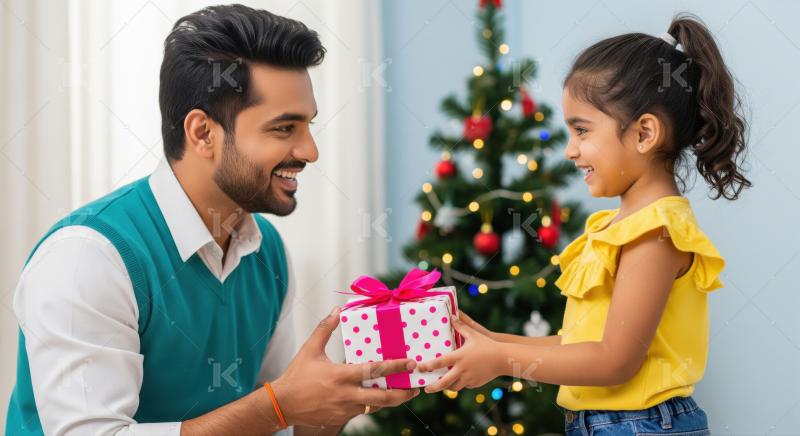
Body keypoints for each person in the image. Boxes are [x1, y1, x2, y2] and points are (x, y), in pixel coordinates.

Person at [6, 5, 418, 435]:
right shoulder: (88, 257)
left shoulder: (267, 253)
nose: (310, 151)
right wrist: (280, 407)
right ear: (203, 133)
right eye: (284, 129)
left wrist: (323, 413)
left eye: (309, 126)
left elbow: (270, 424)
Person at [418, 13, 751, 435]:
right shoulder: (622, 225)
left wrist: (502, 361)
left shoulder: (656, 233)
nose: (571, 151)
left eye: (582, 131)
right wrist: (495, 343)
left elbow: (614, 360)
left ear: (644, 133)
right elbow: (582, 348)